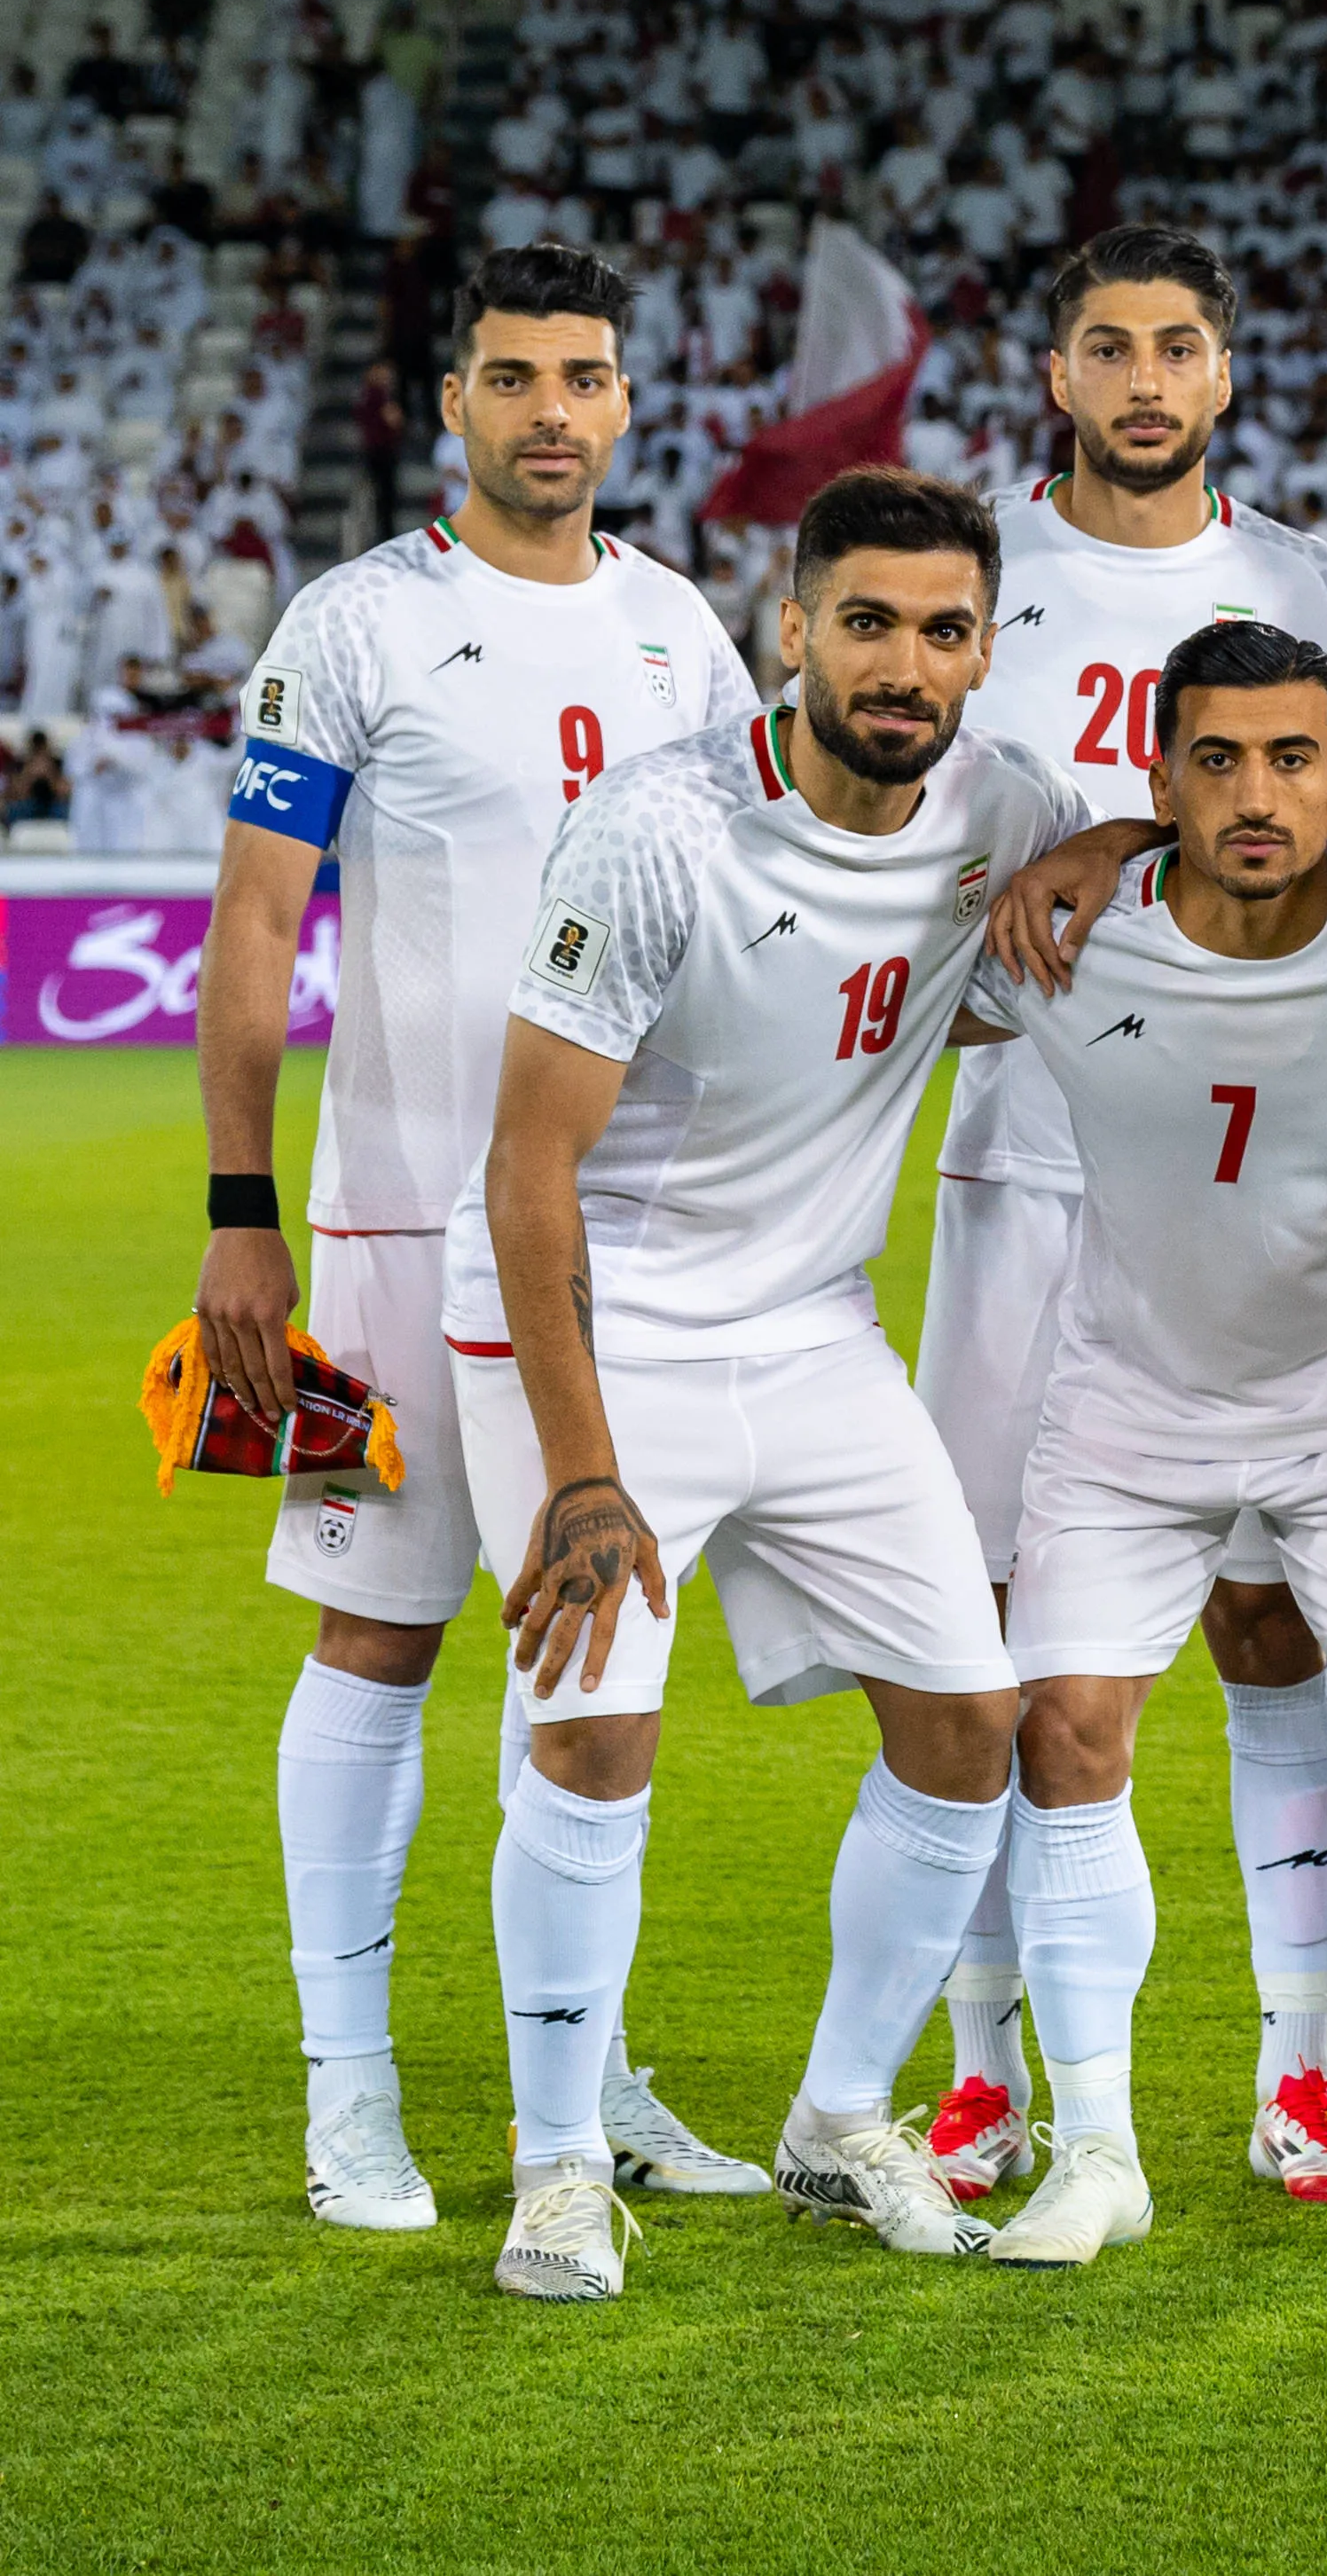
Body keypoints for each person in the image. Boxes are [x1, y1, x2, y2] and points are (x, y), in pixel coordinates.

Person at [444, 467, 1095, 2300]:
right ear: (790, 626)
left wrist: (1109, 849)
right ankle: (559, 2157)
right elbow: (527, 1173)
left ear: (984, 648)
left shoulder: (1004, 803)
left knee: (970, 1724)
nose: (904, 662)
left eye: (944, 629)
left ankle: (834, 2114)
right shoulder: (659, 830)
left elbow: (1114, 848)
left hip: (814, 1329)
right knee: (594, 1728)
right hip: (608, 1326)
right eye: (867, 621)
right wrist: (584, 1474)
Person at [194, 240, 763, 2235]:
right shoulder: (355, 627)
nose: (550, 409)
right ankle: (349, 2095)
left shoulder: (689, 634)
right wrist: (238, 1214)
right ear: (453, 402)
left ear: (625, 402)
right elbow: (256, 923)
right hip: (380, 1227)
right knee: (378, 1628)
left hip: (624, 1240)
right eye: (512, 375)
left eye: (584, 374)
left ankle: (585, 2071)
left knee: (597, 1638)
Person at [911, 222, 1327, 2216]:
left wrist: (1146, 825)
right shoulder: (970, 565)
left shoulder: (1306, 582)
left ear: (1223, 376)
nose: (1147, 379)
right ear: (1059, 372)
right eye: (1110, 347)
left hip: (1261, 1173)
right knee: (987, 1643)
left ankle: (1297, 2068)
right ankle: (983, 2070)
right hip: (1028, 1157)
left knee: (1266, 1611)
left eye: (1181, 348)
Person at [950, 620, 1327, 2270]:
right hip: (1128, 1414)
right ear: (1156, 783)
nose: (1256, 792)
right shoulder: (1061, 940)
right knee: (1063, 1733)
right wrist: (1097, 847)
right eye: (1213, 760)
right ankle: (1095, 2153)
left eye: (1295, 759)